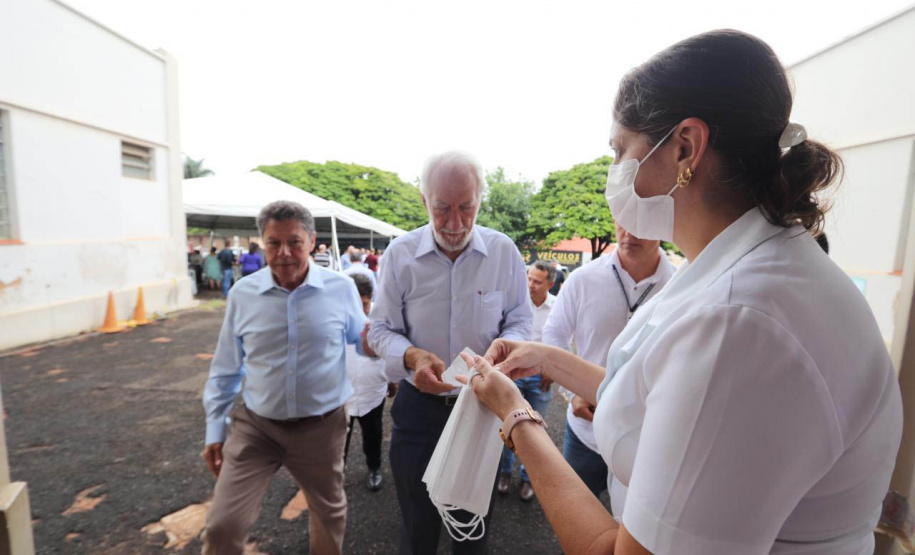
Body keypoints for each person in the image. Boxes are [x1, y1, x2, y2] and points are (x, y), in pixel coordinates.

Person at [455, 30, 902, 555]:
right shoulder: (741, 263)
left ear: (685, 147)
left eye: (620, 151)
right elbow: (659, 391)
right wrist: (546, 358)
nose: (614, 173)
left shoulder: (742, 322)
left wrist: (517, 419)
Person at [368, 150, 532, 554]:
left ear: (480, 199)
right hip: (418, 412)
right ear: (424, 201)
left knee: (472, 530)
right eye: (442, 208)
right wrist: (412, 357)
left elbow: (520, 322)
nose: (455, 223)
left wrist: (499, 356)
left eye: (467, 207)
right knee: (417, 530)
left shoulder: (504, 252)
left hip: (479, 412)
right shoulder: (400, 255)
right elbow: (380, 330)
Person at [200, 201, 372, 555]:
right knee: (222, 525)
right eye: (273, 243)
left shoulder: (341, 289)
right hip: (257, 427)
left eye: (294, 241)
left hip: (321, 428)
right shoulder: (242, 296)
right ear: (263, 243)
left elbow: (366, 339)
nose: (284, 253)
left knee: (329, 514)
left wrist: (404, 351)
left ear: (312, 241)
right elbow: (227, 368)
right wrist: (215, 427)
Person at [542, 225, 674, 505]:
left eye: (642, 222)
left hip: (647, 439)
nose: (630, 231)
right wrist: (573, 391)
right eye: (624, 219)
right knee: (575, 512)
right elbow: (554, 334)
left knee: (633, 532)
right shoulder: (583, 278)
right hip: (585, 432)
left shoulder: (678, 285)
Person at [498, 259, 557, 501]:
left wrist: (553, 371)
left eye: (537, 281)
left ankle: (528, 478)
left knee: (536, 430)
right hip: (514, 373)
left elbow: (561, 340)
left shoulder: (557, 307)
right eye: (529, 278)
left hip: (540, 378)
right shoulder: (515, 304)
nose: (530, 284)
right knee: (507, 426)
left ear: (550, 284)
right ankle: (504, 473)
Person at [344, 273, 397, 492]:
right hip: (342, 393)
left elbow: (391, 352)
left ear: (371, 299)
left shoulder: (382, 320)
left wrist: (392, 381)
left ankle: (374, 468)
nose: (359, 309)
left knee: (372, 434)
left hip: (372, 391)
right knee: (339, 437)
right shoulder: (337, 318)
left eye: (364, 304)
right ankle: (336, 471)